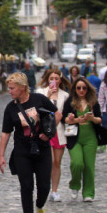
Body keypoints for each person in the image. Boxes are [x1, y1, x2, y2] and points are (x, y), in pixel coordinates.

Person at [0, 72, 57, 213]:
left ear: (23, 88)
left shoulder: (39, 99)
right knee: (26, 185)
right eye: (8, 88)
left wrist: (49, 133)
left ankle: (39, 206)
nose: (9, 91)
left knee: (44, 185)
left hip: (42, 148)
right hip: (22, 150)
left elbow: (56, 114)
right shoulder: (10, 108)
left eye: (12, 88)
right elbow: (6, 132)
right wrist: (1, 155)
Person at [62, 78, 102, 202]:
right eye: (78, 88)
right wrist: (74, 118)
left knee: (89, 166)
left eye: (84, 88)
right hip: (75, 137)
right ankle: (74, 184)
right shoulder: (70, 101)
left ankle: (88, 193)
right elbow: (65, 120)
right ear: (74, 89)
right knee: (77, 163)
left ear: (87, 89)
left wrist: (92, 118)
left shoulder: (93, 102)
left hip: (90, 138)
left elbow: (99, 119)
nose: (81, 90)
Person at [35, 69, 69, 201]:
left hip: (58, 131)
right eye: (51, 78)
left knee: (56, 162)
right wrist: (48, 96)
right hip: (44, 131)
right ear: (47, 79)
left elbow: (64, 114)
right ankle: (45, 187)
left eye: (56, 78)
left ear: (60, 80)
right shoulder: (40, 92)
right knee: (46, 162)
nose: (53, 81)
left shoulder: (65, 95)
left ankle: (54, 190)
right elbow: (37, 109)